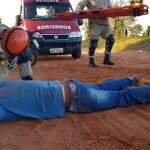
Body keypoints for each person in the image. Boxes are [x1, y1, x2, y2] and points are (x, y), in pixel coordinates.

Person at [0, 74, 150, 122]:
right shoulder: (3, 84)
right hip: (69, 85)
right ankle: (130, 79)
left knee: (123, 97)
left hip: (78, 98)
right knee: (102, 87)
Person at [75, 0, 115, 67]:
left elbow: (111, 9)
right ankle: (91, 61)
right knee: (94, 43)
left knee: (111, 39)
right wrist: (78, 9)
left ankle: (106, 59)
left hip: (105, 23)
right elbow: (81, 4)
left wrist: (114, 13)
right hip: (94, 23)